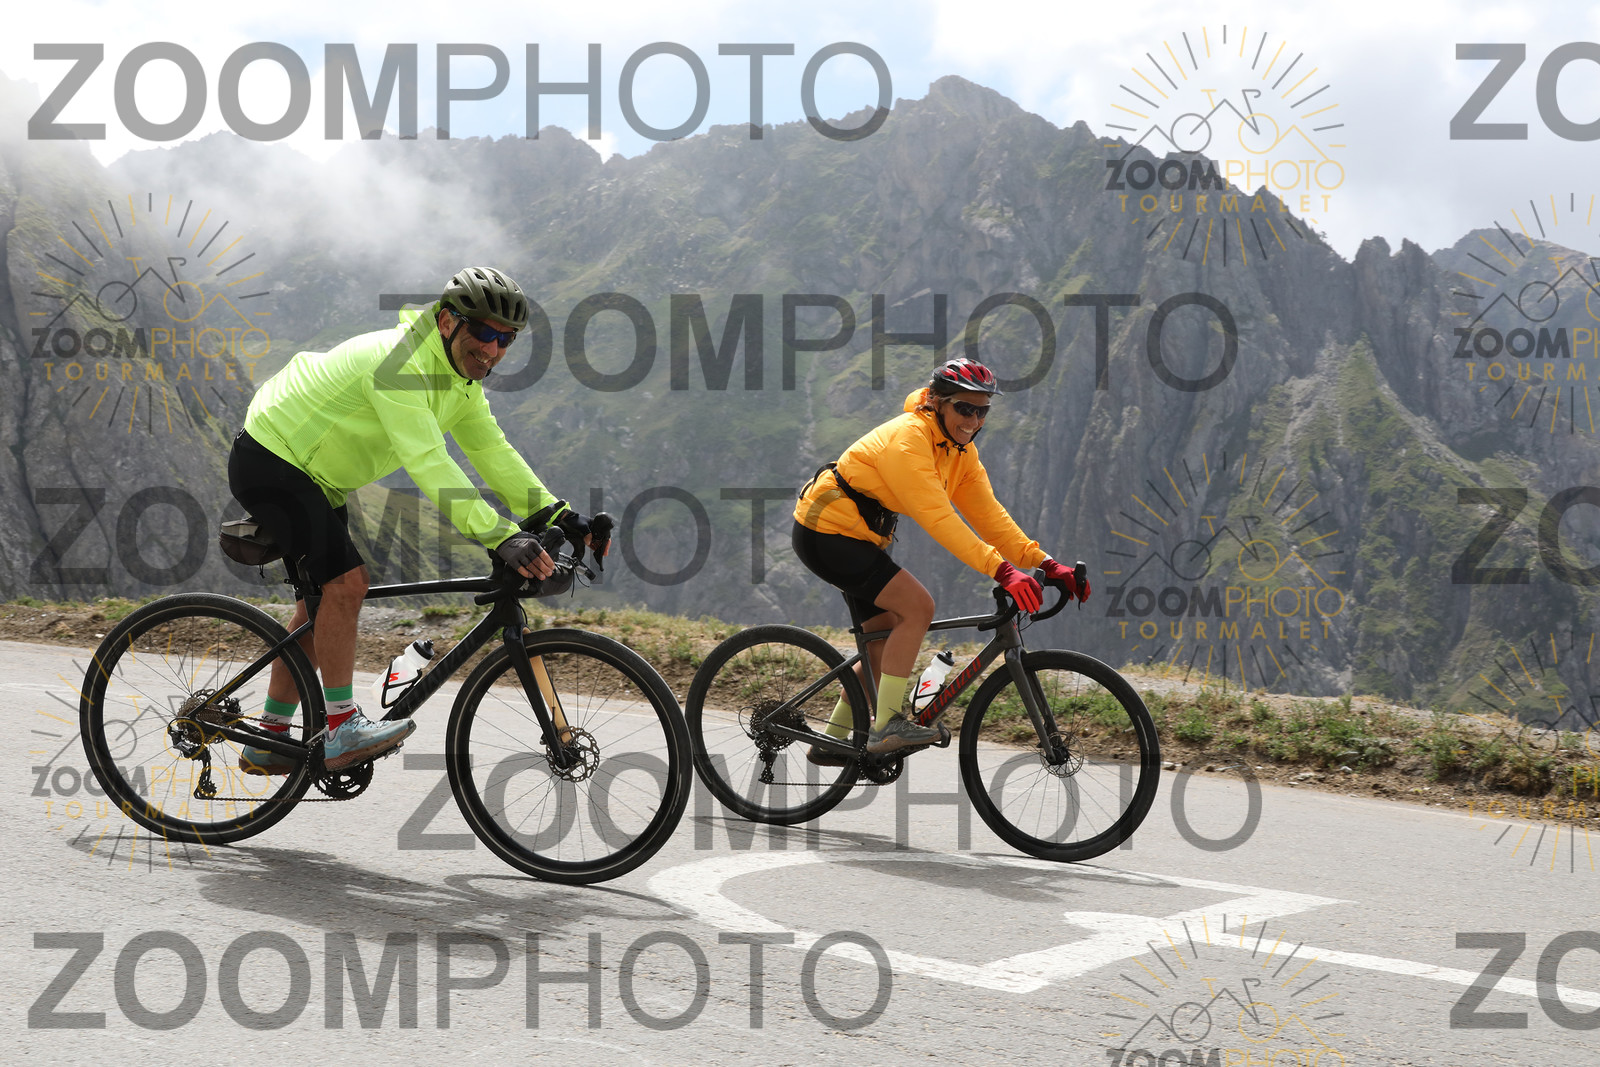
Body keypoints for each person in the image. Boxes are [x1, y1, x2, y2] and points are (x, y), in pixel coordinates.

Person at [228, 266, 592, 774]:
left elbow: (490, 450)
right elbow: (428, 462)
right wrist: (500, 536)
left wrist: (555, 512)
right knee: (347, 584)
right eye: (483, 332)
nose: (492, 349)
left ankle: (268, 738)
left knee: (322, 604)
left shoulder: (461, 381)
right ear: (447, 322)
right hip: (272, 457)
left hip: (319, 476)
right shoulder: (398, 364)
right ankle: (341, 728)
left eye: (506, 339)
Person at [791, 357, 1090, 761]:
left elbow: (991, 517)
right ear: (936, 402)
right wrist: (1002, 570)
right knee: (918, 608)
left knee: (881, 641)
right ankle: (886, 726)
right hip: (826, 532)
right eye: (965, 409)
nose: (973, 421)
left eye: (982, 411)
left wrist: (1046, 563)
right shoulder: (909, 440)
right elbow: (940, 519)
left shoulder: (958, 451)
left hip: (862, 537)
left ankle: (831, 743)